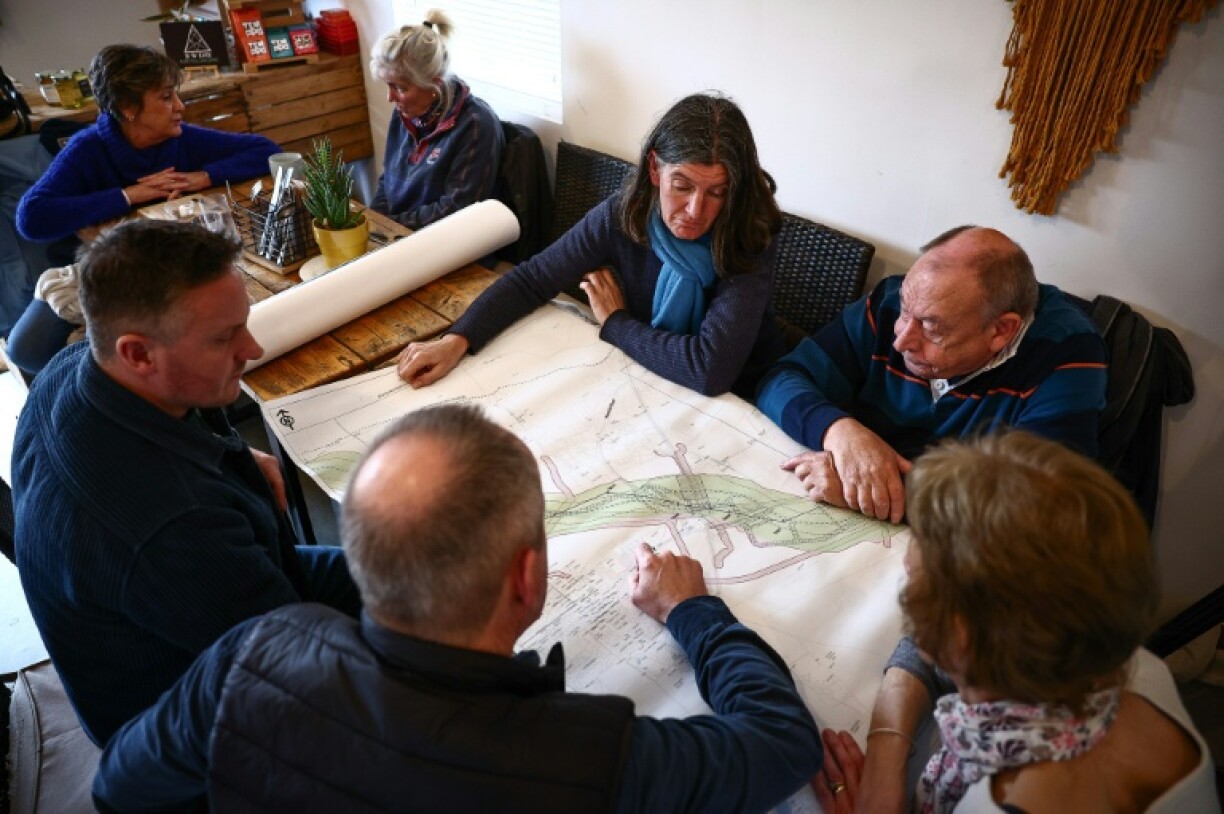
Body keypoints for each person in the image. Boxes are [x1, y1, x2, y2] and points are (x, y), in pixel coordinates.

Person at [92, 404, 824, 813]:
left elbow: (118, 785)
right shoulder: (583, 758)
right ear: (526, 575)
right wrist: (693, 610)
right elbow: (783, 742)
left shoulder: (256, 648)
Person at [12, 219, 360, 746]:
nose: (253, 348)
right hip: (180, 722)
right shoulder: (170, 525)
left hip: (182, 609)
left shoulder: (72, 367)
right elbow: (294, 668)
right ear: (138, 353)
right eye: (224, 337)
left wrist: (236, 453)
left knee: (397, 569)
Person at [817, 432, 1218, 813]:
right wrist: (884, 764)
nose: (904, 575)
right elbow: (924, 647)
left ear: (962, 635)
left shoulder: (1003, 802)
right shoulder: (1134, 671)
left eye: (915, 573)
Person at [396, 92, 788, 400]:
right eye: (681, 186)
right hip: (653, 378)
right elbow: (535, 277)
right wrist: (457, 339)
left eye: (716, 192)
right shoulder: (624, 214)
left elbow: (709, 369)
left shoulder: (749, 234)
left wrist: (617, 324)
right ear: (654, 169)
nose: (695, 210)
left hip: (742, 399)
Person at [756, 225, 1107, 524]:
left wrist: (871, 491)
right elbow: (780, 380)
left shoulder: (1067, 352)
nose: (901, 338)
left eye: (930, 327)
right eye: (906, 312)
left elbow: (1043, 504)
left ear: (1001, 330)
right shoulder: (893, 299)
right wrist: (840, 432)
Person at [8, 44, 278, 376]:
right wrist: (127, 195)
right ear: (128, 107)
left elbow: (266, 150)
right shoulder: (87, 150)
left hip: (174, 272)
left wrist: (203, 177)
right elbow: (31, 217)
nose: (179, 106)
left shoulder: (181, 139)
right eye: (166, 98)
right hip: (103, 266)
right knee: (25, 351)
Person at [368, 9, 504, 230]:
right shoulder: (405, 112)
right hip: (400, 234)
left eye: (400, 88)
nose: (390, 97)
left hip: (449, 245)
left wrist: (389, 228)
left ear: (435, 84)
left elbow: (457, 211)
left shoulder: (476, 125)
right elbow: (388, 181)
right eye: (388, 85)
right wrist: (373, 222)